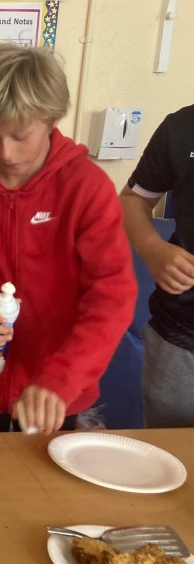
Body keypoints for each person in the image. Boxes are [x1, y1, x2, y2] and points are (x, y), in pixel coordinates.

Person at [0, 43, 137, 434]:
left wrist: (62, 378)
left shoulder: (86, 187)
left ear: (52, 118)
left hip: (55, 394)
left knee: (42, 476)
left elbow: (113, 296)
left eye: (21, 136)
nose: (6, 153)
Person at [119, 104, 194, 427]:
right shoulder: (182, 126)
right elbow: (133, 199)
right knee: (171, 448)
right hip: (180, 336)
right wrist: (154, 249)